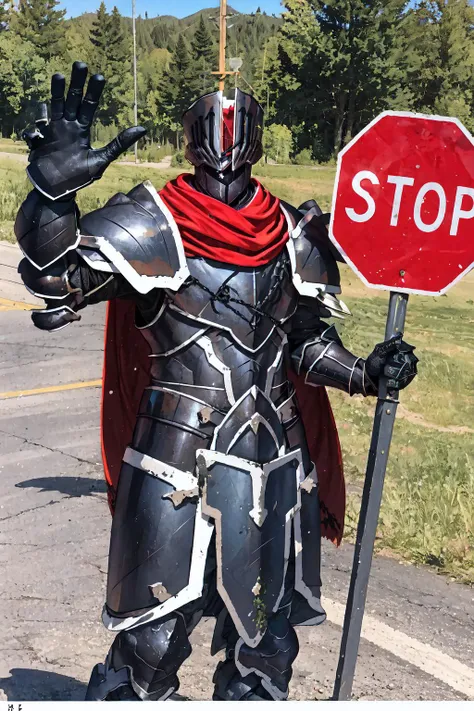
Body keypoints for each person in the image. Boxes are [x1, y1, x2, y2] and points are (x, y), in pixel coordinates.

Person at [15, 62, 418, 701]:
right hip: (175, 459)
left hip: (276, 463)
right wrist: (52, 193)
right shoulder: (150, 221)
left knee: (265, 650)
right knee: (151, 642)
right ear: (191, 136)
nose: (226, 140)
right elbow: (55, 276)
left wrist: (365, 372)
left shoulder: (293, 232)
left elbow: (305, 345)